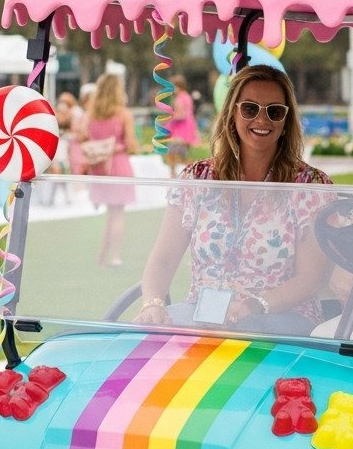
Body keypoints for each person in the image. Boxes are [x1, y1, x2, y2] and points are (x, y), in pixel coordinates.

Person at [138, 64, 332, 335]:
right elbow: (164, 258)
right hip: (204, 318)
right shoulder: (198, 178)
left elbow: (311, 278)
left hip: (282, 321)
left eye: (274, 111)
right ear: (232, 114)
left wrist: (255, 305)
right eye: (250, 108)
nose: (262, 120)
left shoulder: (310, 186)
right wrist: (153, 303)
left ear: (286, 122)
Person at [78, 73, 138, 265]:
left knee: (109, 213)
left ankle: (102, 255)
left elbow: (82, 138)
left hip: (99, 169)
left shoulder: (91, 115)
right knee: (118, 212)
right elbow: (131, 145)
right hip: (119, 165)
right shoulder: (123, 114)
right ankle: (115, 256)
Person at [166, 75, 200, 175]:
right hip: (188, 129)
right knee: (184, 154)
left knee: (171, 152)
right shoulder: (187, 96)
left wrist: (170, 118)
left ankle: (173, 173)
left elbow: (181, 115)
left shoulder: (180, 98)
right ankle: (189, 173)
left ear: (177, 86)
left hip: (180, 131)